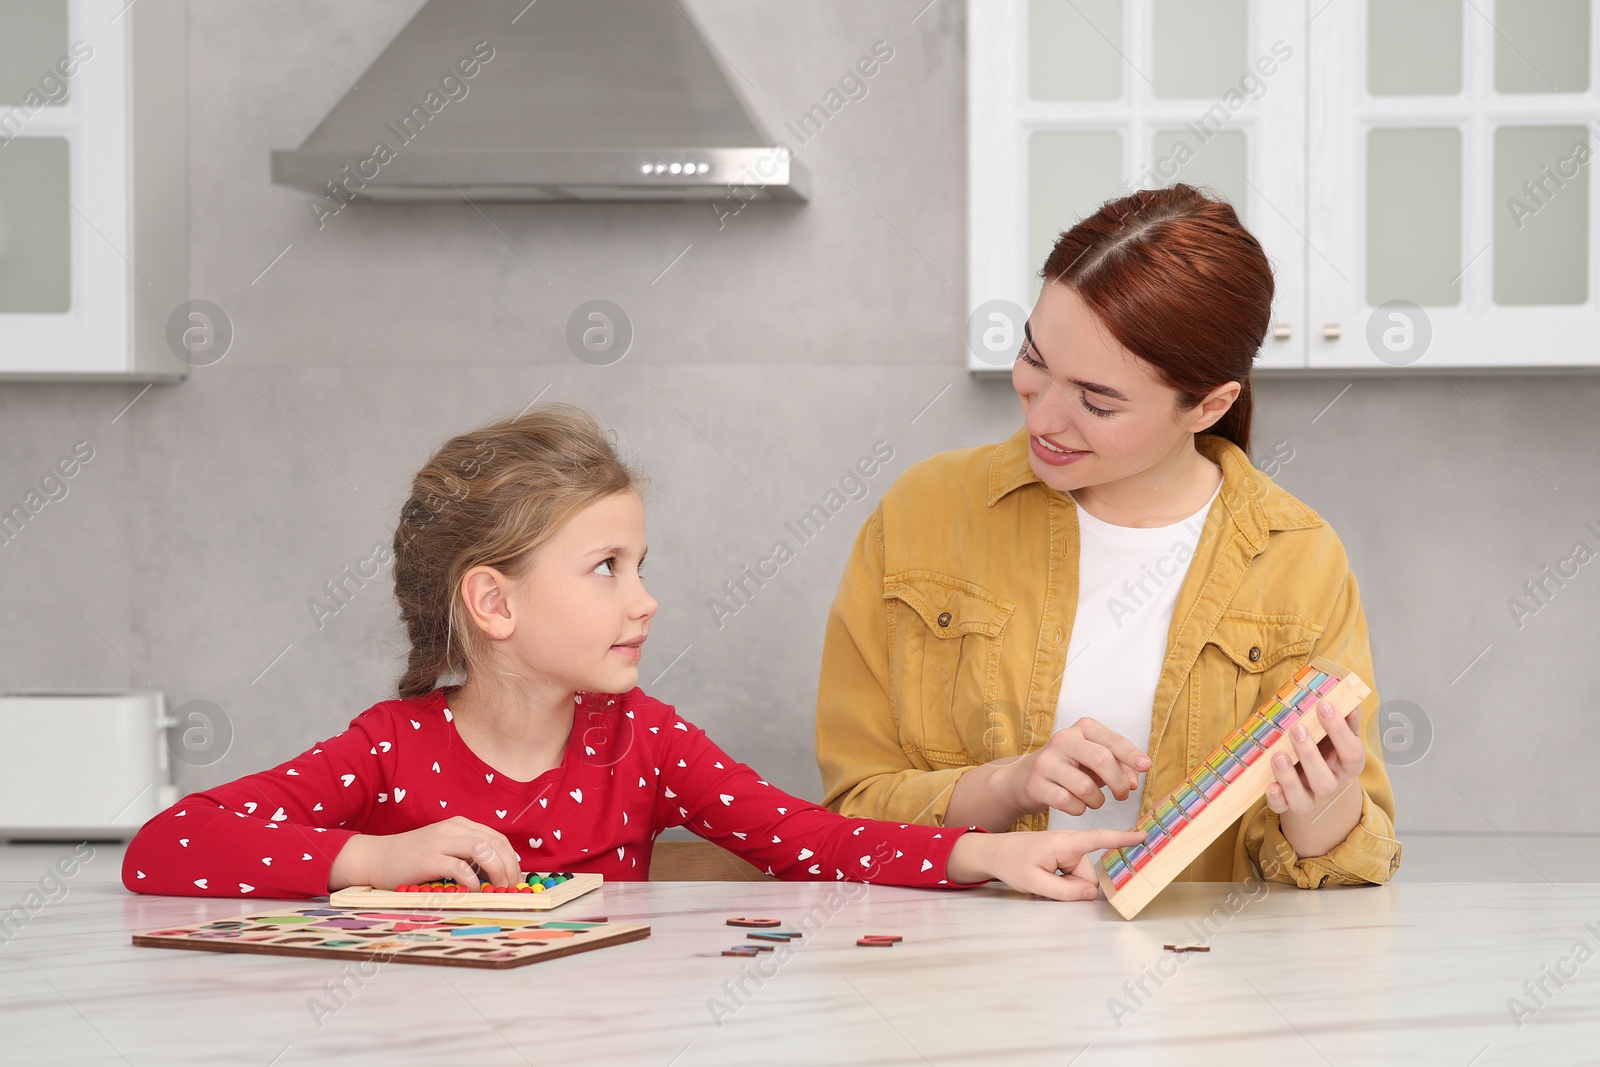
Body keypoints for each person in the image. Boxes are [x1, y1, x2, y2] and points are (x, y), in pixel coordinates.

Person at [122, 405, 1143, 901]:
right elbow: (165, 846)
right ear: (493, 600)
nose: (645, 600)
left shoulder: (641, 742)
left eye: (640, 563)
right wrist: (372, 856)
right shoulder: (388, 751)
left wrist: (996, 850)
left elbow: (813, 840)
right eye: (605, 566)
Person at [816, 183, 1400, 888]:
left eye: (1096, 400)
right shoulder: (925, 513)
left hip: (1194, 983)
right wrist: (1011, 782)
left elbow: (1348, 869)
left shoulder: (1299, 558)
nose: (1044, 420)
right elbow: (852, 814)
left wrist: (1323, 809)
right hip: (960, 977)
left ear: (1208, 405)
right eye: (1033, 360)